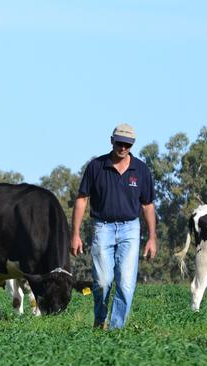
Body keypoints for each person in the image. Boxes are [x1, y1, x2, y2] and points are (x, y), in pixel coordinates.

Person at [70, 123, 157, 330]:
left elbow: (148, 205)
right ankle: (100, 319)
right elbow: (82, 199)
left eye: (128, 144)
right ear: (112, 141)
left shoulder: (141, 170)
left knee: (126, 284)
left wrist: (152, 237)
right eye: (120, 143)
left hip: (130, 229)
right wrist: (75, 234)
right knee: (102, 281)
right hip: (103, 228)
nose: (123, 148)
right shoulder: (96, 166)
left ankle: (115, 332)